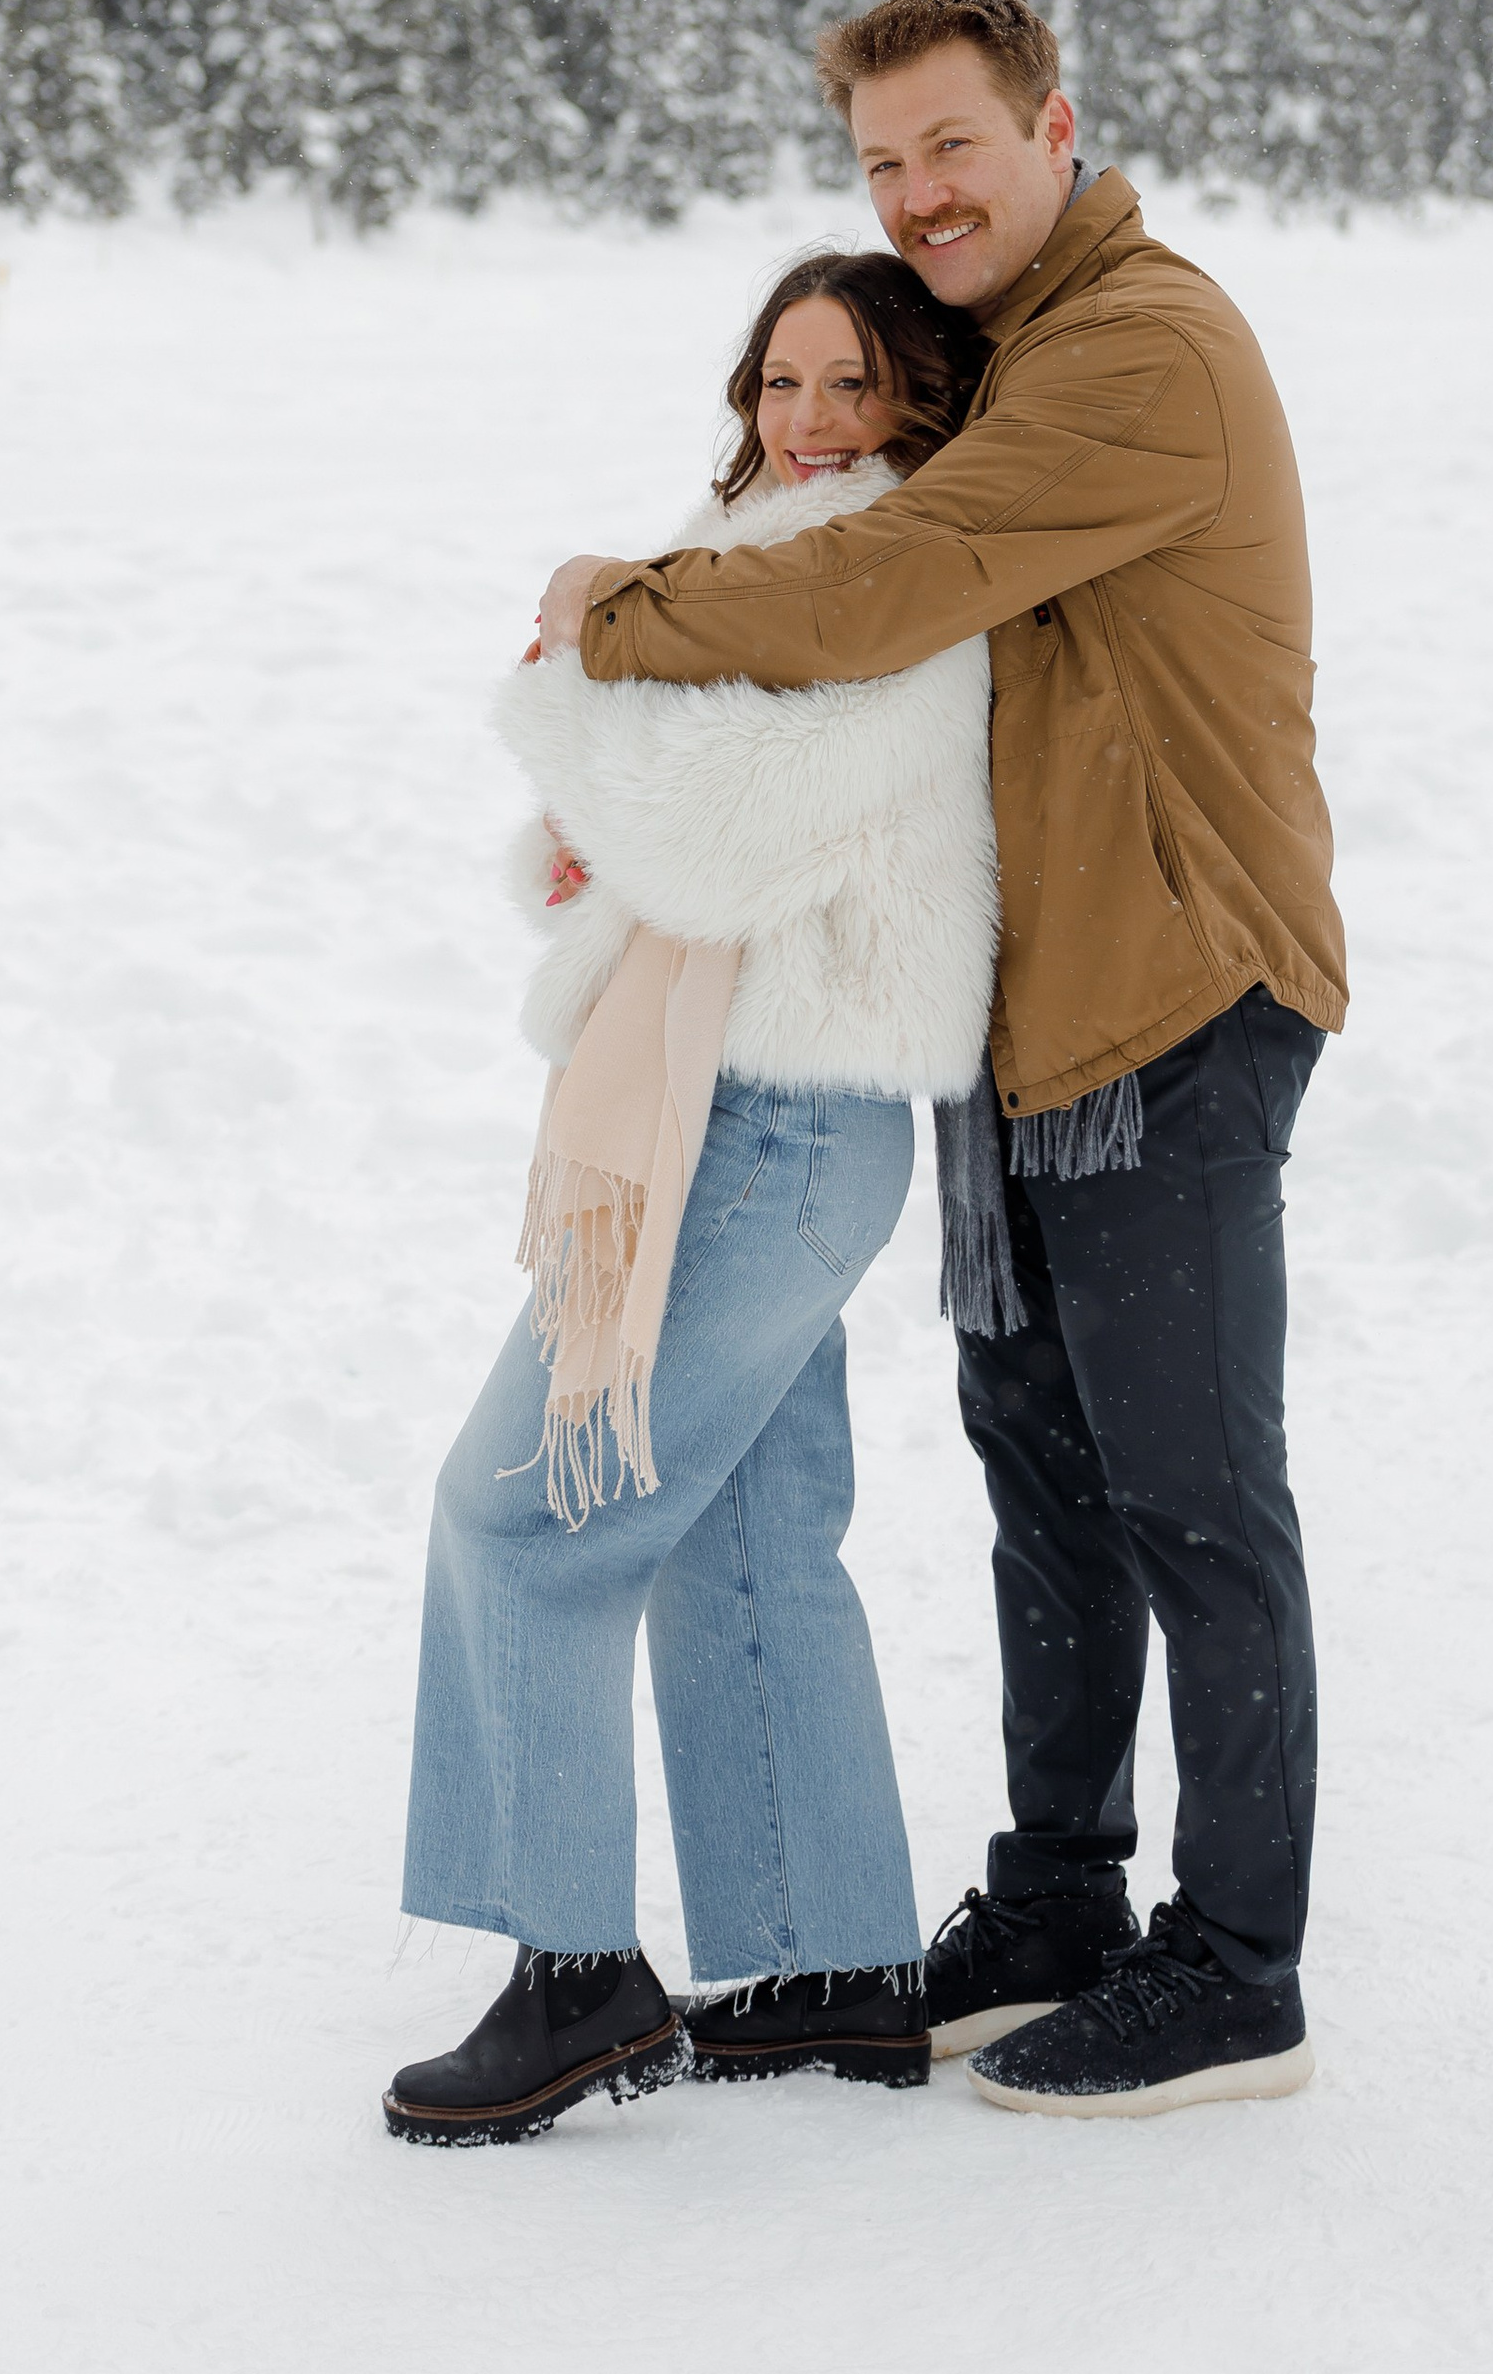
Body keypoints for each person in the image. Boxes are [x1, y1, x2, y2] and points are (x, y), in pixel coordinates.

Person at [538, 0, 1347, 2120]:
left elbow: (886, 585)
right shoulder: (1001, 354)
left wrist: (612, 611)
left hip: (1173, 996)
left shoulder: (1136, 349)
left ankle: (1236, 1963)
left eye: (949, 149)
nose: (914, 195)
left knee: (1189, 1494)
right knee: (1047, 1484)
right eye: (880, 164)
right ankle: (1059, 1899)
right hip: (1037, 1019)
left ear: (1051, 124)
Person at [386, 252, 997, 2147]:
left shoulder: (897, 585)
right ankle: (835, 1963)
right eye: (779, 381)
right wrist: (603, 765)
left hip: (779, 1130)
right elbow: (612, 847)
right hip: (728, 1104)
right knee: (741, 1530)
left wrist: (582, 657)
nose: (804, 420)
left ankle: (576, 1975)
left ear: (915, 407)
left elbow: (707, 827)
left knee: (526, 1511)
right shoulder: (747, 569)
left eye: (851, 383)